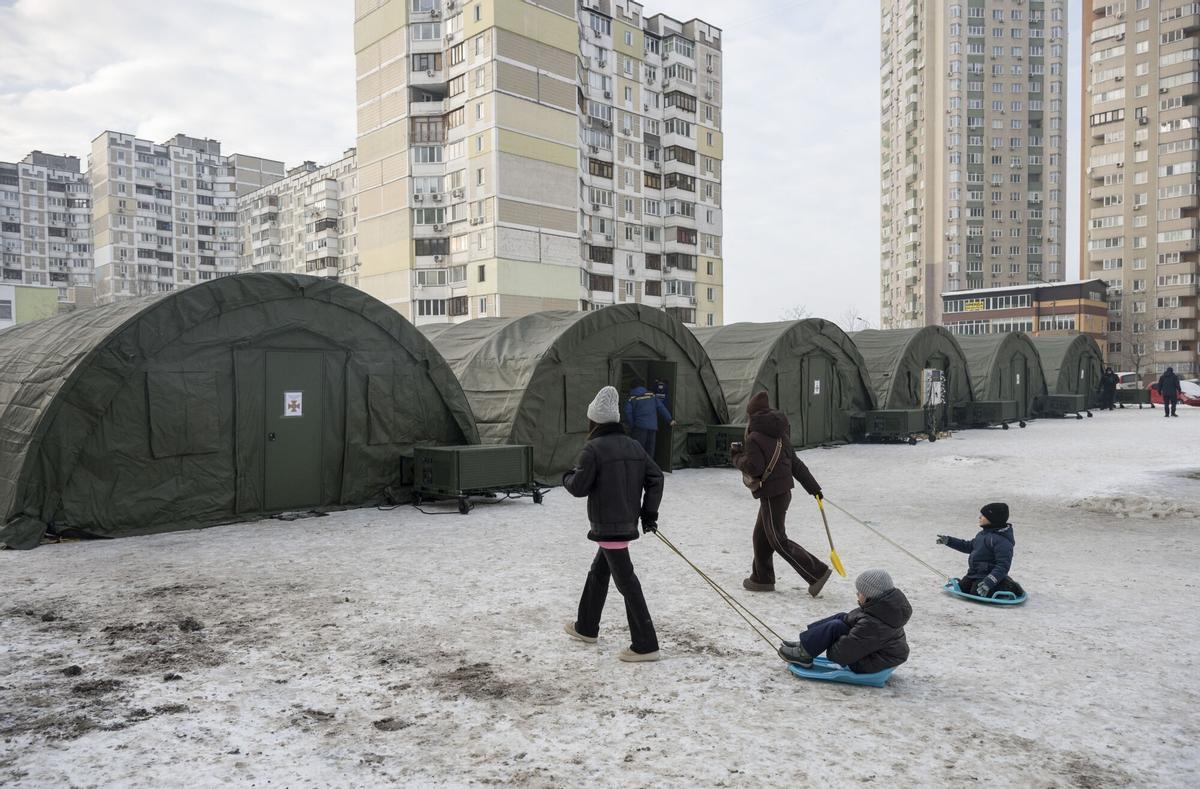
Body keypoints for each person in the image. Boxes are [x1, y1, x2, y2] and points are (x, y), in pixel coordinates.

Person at [563, 385, 665, 662]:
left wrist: (567, 476)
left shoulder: (592, 449)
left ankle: (646, 644)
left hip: (607, 525)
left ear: (594, 420)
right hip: (623, 524)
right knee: (599, 572)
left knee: (627, 582)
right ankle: (586, 627)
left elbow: (579, 487)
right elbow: (656, 478)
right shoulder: (634, 446)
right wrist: (648, 514)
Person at [732, 391, 831, 597]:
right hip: (784, 492)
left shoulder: (754, 438)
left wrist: (736, 458)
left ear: (752, 416)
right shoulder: (780, 434)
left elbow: (754, 468)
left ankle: (816, 573)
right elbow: (795, 464)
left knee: (777, 539)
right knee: (761, 536)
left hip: (771, 494)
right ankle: (762, 578)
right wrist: (814, 488)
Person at [777, 569, 911, 673]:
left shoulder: (873, 623)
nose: (857, 595)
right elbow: (850, 620)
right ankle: (806, 645)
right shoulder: (881, 609)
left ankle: (804, 655)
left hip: (872, 662)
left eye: (860, 592)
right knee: (841, 617)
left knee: (836, 627)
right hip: (875, 652)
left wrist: (831, 641)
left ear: (871, 595)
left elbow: (841, 656)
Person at [937, 502, 1023, 599]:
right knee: (962, 588)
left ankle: (1009, 586)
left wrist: (989, 582)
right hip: (974, 574)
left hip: (989, 577)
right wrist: (949, 541)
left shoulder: (1002, 541)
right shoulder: (982, 535)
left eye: (983, 515)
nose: (980, 517)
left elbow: (1003, 565)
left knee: (976, 593)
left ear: (993, 519)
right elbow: (968, 546)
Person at [624, 379, 676, 458]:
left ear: (632, 387)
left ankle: (638, 468)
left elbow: (628, 413)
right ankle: (649, 468)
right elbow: (661, 408)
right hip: (652, 427)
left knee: (638, 450)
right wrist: (670, 419)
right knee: (650, 451)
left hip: (639, 427)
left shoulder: (631, 398)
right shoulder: (652, 395)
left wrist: (632, 425)